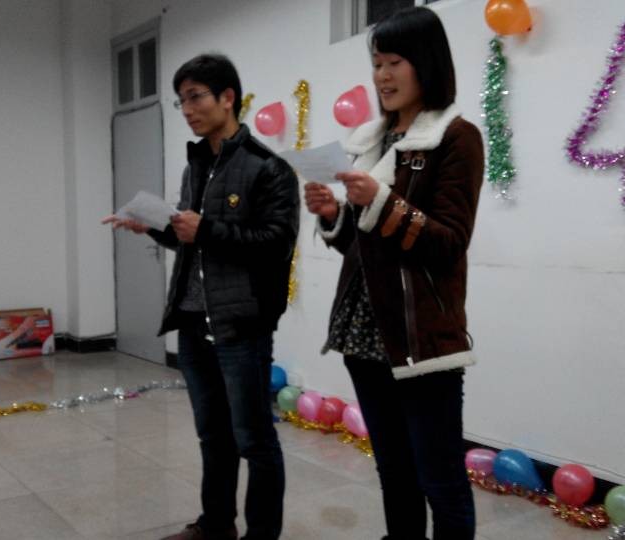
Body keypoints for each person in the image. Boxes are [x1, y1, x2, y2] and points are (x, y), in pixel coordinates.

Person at [304, 7, 483, 540]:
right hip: (364, 334)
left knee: (441, 480)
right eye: (377, 63)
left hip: (421, 338)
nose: (382, 76)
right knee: (394, 470)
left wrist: (380, 202)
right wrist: (335, 216)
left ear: (426, 62)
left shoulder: (456, 137)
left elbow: (448, 243)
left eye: (394, 62)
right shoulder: (372, 140)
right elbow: (368, 249)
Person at [103, 53, 299, 540]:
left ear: (227, 98)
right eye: (181, 101)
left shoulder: (269, 168)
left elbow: (276, 243)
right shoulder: (197, 165)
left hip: (240, 325)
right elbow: (191, 239)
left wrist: (206, 229)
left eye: (195, 98)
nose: (187, 110)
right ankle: (215, 526)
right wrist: (154, 227)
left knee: (254, 439)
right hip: (192, 321)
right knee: (212, 435)